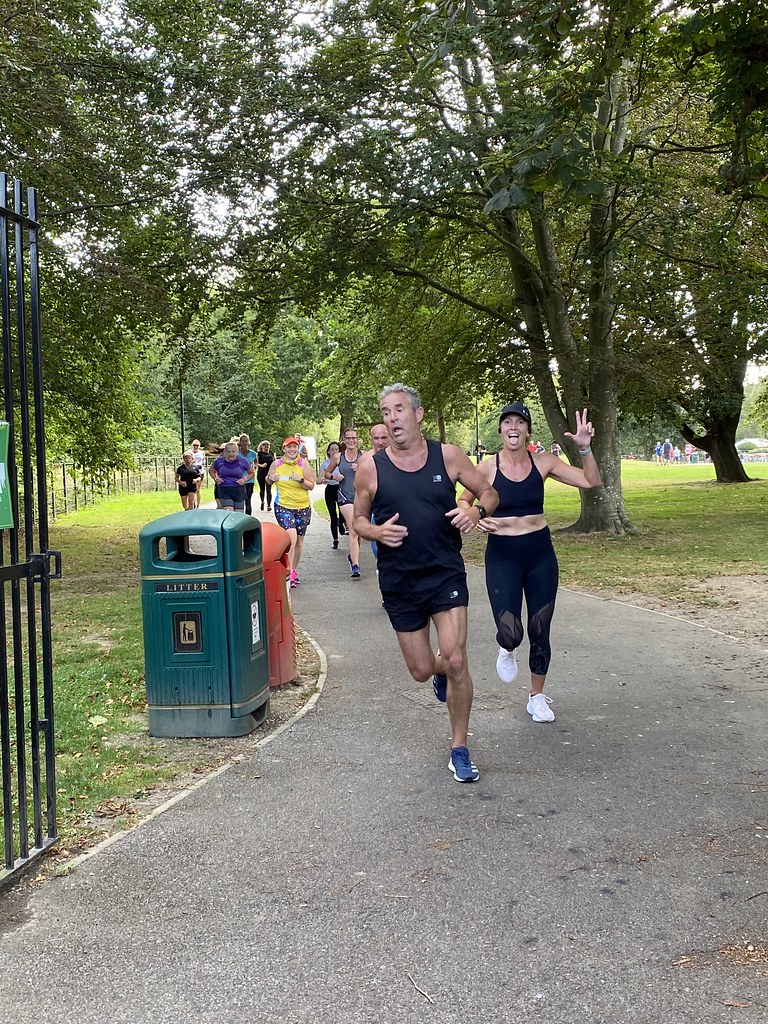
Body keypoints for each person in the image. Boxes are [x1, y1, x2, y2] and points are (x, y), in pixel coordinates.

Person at [353, 383, 499, 784]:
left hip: (444, 573)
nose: (392, 417)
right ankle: (437, 671)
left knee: (456, 658)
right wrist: (377, 534)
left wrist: (476, 510)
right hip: (400, 582)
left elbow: (488, 490)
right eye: (385, 411)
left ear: (417, 414)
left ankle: (459, 747)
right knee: (421, 670)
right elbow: (358, 521)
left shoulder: (447, 456)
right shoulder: (371, 466)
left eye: (399, 409)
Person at [458, 401, 601, 725]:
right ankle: (505, 648)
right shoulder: (487, 468)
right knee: (511, 632)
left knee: (540, 628)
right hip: (503, 556)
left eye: (519, 423)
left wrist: (585, 449)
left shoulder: (545, 462)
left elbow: (591, 481)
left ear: (527, 430)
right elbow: (464, 498)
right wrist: (476, 515)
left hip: (539, 554)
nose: (513, 428)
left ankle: (536, 696)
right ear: (500, 430)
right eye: (507, 422)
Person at [268, 437, 316, 588]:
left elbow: (311, 486)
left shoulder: (303, 464)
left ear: (297, 449)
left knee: (299, 541)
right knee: (291, 537)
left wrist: (301, 480)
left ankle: (293, 570)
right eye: (289, 447)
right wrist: (271, 478)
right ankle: (286, 571)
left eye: (294, 447)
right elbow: (268, 480)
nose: (292, 450)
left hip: (302, 506)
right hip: (283, 505)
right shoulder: (277, 464)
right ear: (284, 449)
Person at [327, 426, 363, 579]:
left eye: (354, 438)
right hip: (344, 496)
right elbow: (327, 473)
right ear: (344, 439)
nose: (351, 440)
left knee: (359, 531)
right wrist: (335, 477)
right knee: (354, 529)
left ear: (357, 440)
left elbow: (376, 472)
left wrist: (361, 468)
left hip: (361, 497)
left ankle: (353, 556)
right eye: (348, 438)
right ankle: (355, 565)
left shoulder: (364, 456)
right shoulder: (338, 457)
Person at [210, 441, 254, 512]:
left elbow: (251, 473)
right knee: (229, 513)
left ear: (237, 452)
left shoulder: (242, 461)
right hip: (224, 489)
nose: (231, 454)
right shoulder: (219, 461)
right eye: (229, 452)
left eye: (233, 452)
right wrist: (216, 478)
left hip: (239, 490)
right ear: (225, 452)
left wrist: (244, 479)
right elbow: (211, 471)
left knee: (238, 515)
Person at [320, 441, 344, 549]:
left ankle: (341, 522)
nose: (334, 451)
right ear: (328, 451)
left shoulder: (342, 462)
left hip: (341, 489)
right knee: (333, 516)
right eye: (332, 449)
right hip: (330, 490)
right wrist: (324, 480)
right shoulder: (325, 464)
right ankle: (335, 540)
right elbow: (318, 480)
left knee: (343, 512)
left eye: (336, 449)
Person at [237, 434, 258, 514]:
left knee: (248, 499)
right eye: (242, 441)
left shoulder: (253, 454)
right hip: (239, 479)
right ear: (240, 442)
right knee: (240, 500)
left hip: (250, 479)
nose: (244, 443)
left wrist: (255, 467)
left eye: (246, 441)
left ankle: (248, 519)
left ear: (248, 442)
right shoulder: (236, 453)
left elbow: (256, 463)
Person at [255, 441, 275, 511]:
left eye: (268, 447)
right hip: (261, 473)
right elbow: (256, 463)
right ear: (262, 447)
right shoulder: (259, 454)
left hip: (269, 473)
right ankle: (262, 502)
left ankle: (269, 505)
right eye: (265, 447)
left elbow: (274, 462)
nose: (267, 448)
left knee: (269, 489)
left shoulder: (271, 453)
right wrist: (261, 465)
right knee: (262, 489)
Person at [190, 439, 206, 508]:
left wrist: (203, 463)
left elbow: (203, 460)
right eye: (194, 445)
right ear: (192, 445)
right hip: (191, 471)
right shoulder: (189, 452)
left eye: (197, 445)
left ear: (199, 446)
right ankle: (192, 503)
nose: (195, 447)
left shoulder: (202, 452)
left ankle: (198, 505)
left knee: (197, 488)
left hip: (200, 471)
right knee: (191, 488)